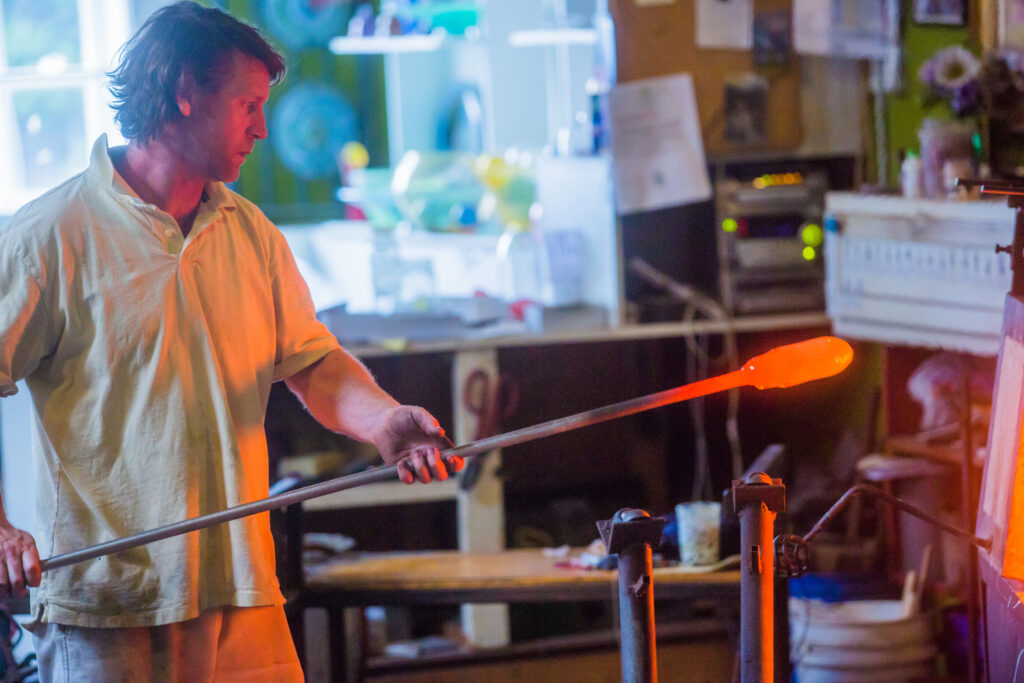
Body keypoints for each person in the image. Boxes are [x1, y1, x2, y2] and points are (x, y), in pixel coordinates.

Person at [0, 3, 462, 680]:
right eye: (247, 103)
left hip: (243, 593)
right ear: (185, 92)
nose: (263, 127)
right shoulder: (48, 237)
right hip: (109, 610)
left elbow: (313, 362)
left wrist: (385, 420)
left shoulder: (251, 234)